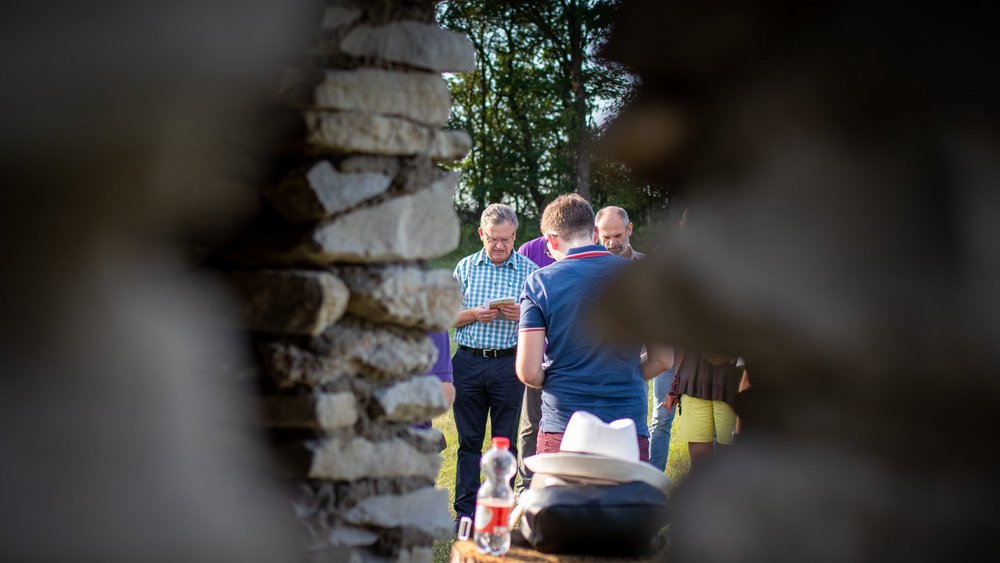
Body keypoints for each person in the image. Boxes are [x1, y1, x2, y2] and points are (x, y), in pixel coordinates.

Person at [516, 194, 672, 460]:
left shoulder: (540, 281)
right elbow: (663, 359)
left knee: (562, 490)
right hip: (625, 422)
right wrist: (623, 375)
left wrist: (562, 379)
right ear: (596, 233)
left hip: (564, 422)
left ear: (552, 239)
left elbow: (528, 372)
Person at [451, 203, 538, 521]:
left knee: (505, 444)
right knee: (469, 442)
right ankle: (465, 514)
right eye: (493, 238)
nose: (500, 245)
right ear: (481, 234)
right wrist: (474, 314)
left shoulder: (529, 270)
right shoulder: (465, 267)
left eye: (506, 239)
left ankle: (498, 513)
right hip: (468, 362)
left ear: (515, 235)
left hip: (508, 364)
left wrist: (523, 314)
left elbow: (545, 318)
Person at [596, 205, 675, 472]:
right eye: (606, 237)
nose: (611, 243)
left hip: (644, 359)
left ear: (629, 229)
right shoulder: (590, 268)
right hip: (600, 364)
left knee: (639, 429)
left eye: (617, 235)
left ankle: (646, 480)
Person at [512, 235, 556, 494]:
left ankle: (556, 483)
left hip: (565, 356)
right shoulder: (530, 250)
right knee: (531, 422)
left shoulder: (582, 248)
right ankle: (525, 485)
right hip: (538, 353)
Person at [664, 351, 748, 472]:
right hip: (694, 376)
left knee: (729, 457)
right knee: (698, 456)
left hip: (732, 380)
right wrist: (675, 386)